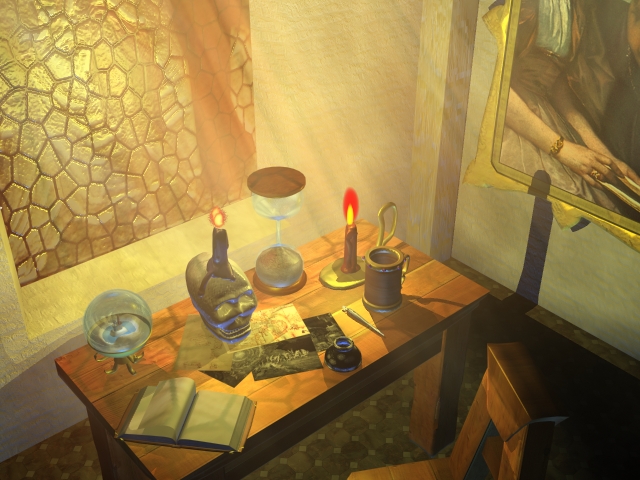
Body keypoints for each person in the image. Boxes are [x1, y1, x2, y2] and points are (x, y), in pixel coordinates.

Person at [499, 0, 640, 213]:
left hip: (551, 119)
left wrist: (607, 157)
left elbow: (556, 87)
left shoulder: (579, 9)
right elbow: (494, 85)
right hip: (518, 122)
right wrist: (562, 149)